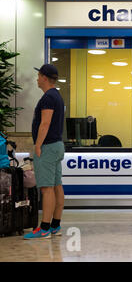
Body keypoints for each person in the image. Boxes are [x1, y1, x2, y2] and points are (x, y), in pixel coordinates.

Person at [24, 64, 65, 239]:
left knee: (46, 189)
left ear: (45, 78)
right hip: (56, 145)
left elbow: (45, 123)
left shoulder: (48, 98)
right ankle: (55, 225)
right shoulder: (57, 95)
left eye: (39, 75)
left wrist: (38, 145)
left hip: (47, 147)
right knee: (56, 186)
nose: (37, 79)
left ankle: (44, 228)